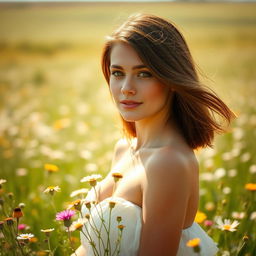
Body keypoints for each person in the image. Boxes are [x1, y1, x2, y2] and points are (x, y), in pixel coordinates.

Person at [74, 13, 235, 256]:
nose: (126, 88)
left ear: (171, 78)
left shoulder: (167, 163)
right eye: (118, 73)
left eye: (144, 73)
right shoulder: (124, 149)